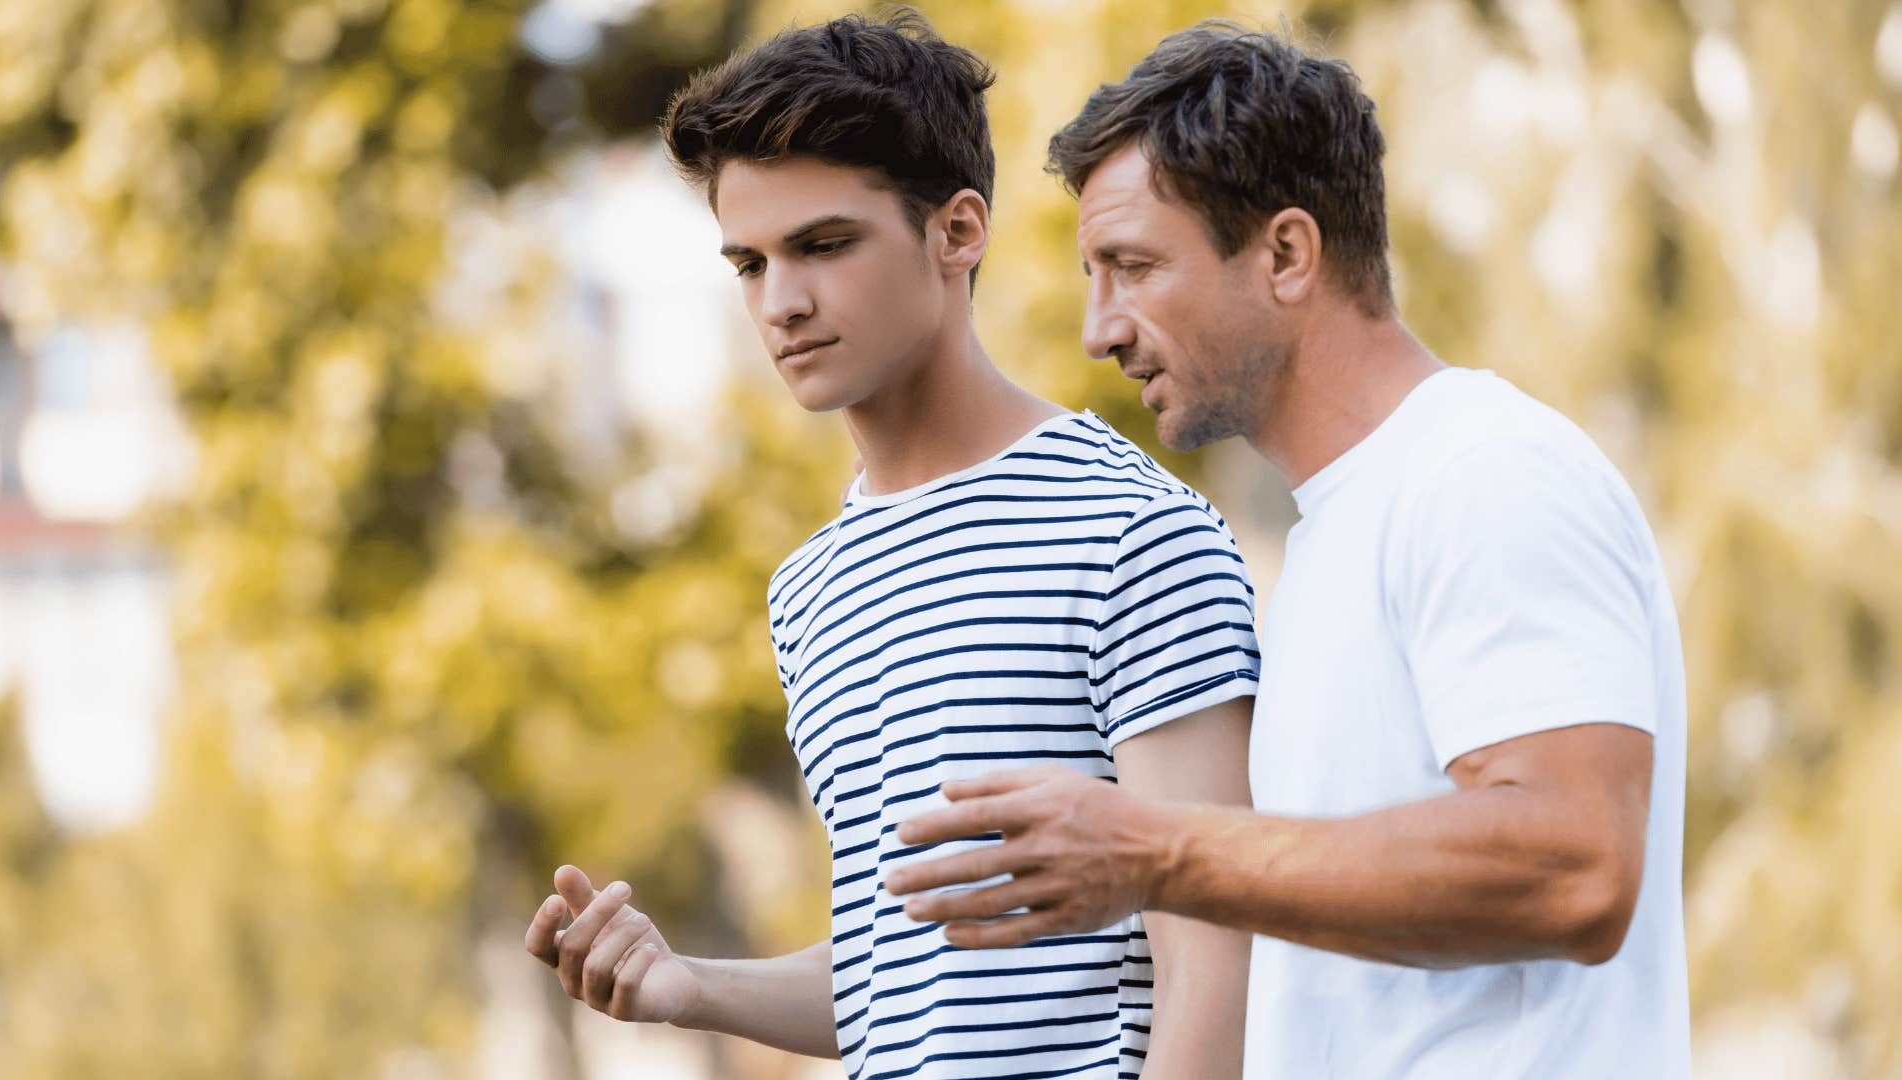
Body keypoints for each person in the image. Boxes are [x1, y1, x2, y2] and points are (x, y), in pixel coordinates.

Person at [886, 22, 1691, 1079]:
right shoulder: (1329, 541)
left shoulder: (1484, 471)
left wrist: (1156, 850)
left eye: (1132, 268)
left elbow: (1576, 865)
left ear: (1286, 253)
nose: (1100, 329)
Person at [523, 11, 1260, 1079]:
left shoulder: (1129, 535)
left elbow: (1217, 955)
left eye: (824, 246)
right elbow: (902, 976)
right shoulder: (812, 587)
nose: (783, 303)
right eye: (749, 263)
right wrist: (693, 989)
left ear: (958, 232)